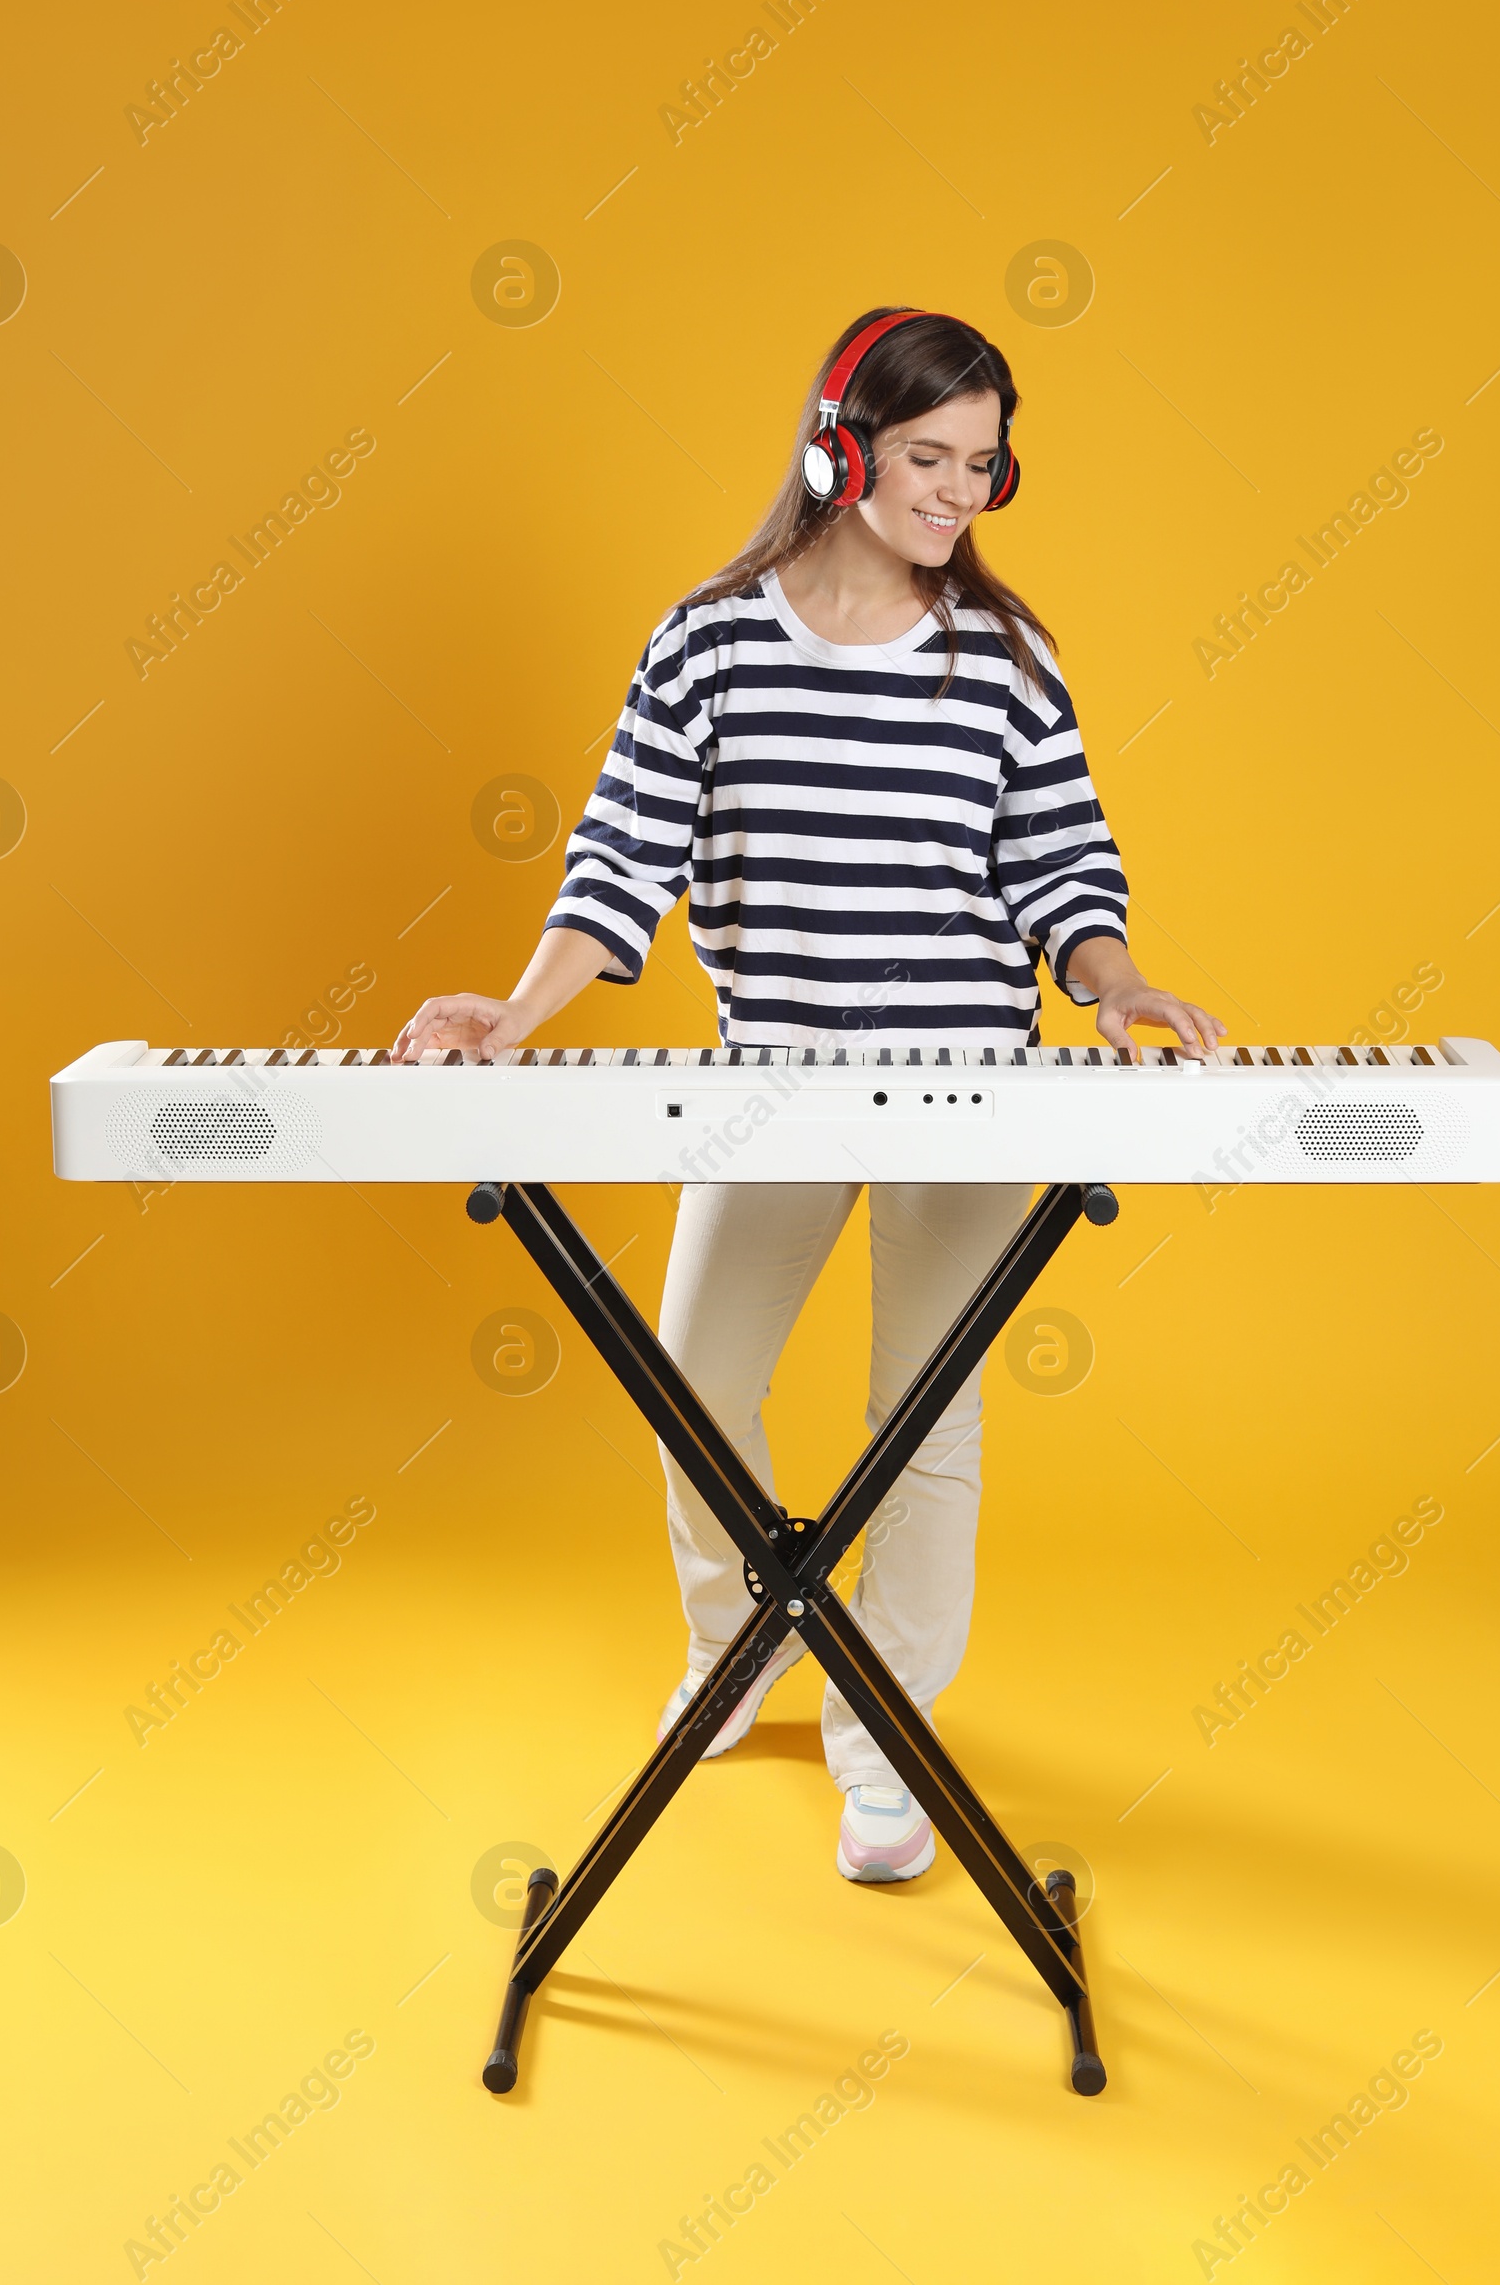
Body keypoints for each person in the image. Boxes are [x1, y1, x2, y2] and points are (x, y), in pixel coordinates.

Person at [394, 307, 1222, 1882]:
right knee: (692, 1380)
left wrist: (1116, 985)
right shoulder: (707, 640)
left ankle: (886, 1744)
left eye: (983, 465)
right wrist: (517, 1010)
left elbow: (1061, 871)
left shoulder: (1006, 658)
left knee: (925, 1423)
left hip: (968, 1088)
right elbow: (620, 859)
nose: (958, 494)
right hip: (770, 1084)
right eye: (927, 458)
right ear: (839, 447)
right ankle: (746, 1646)